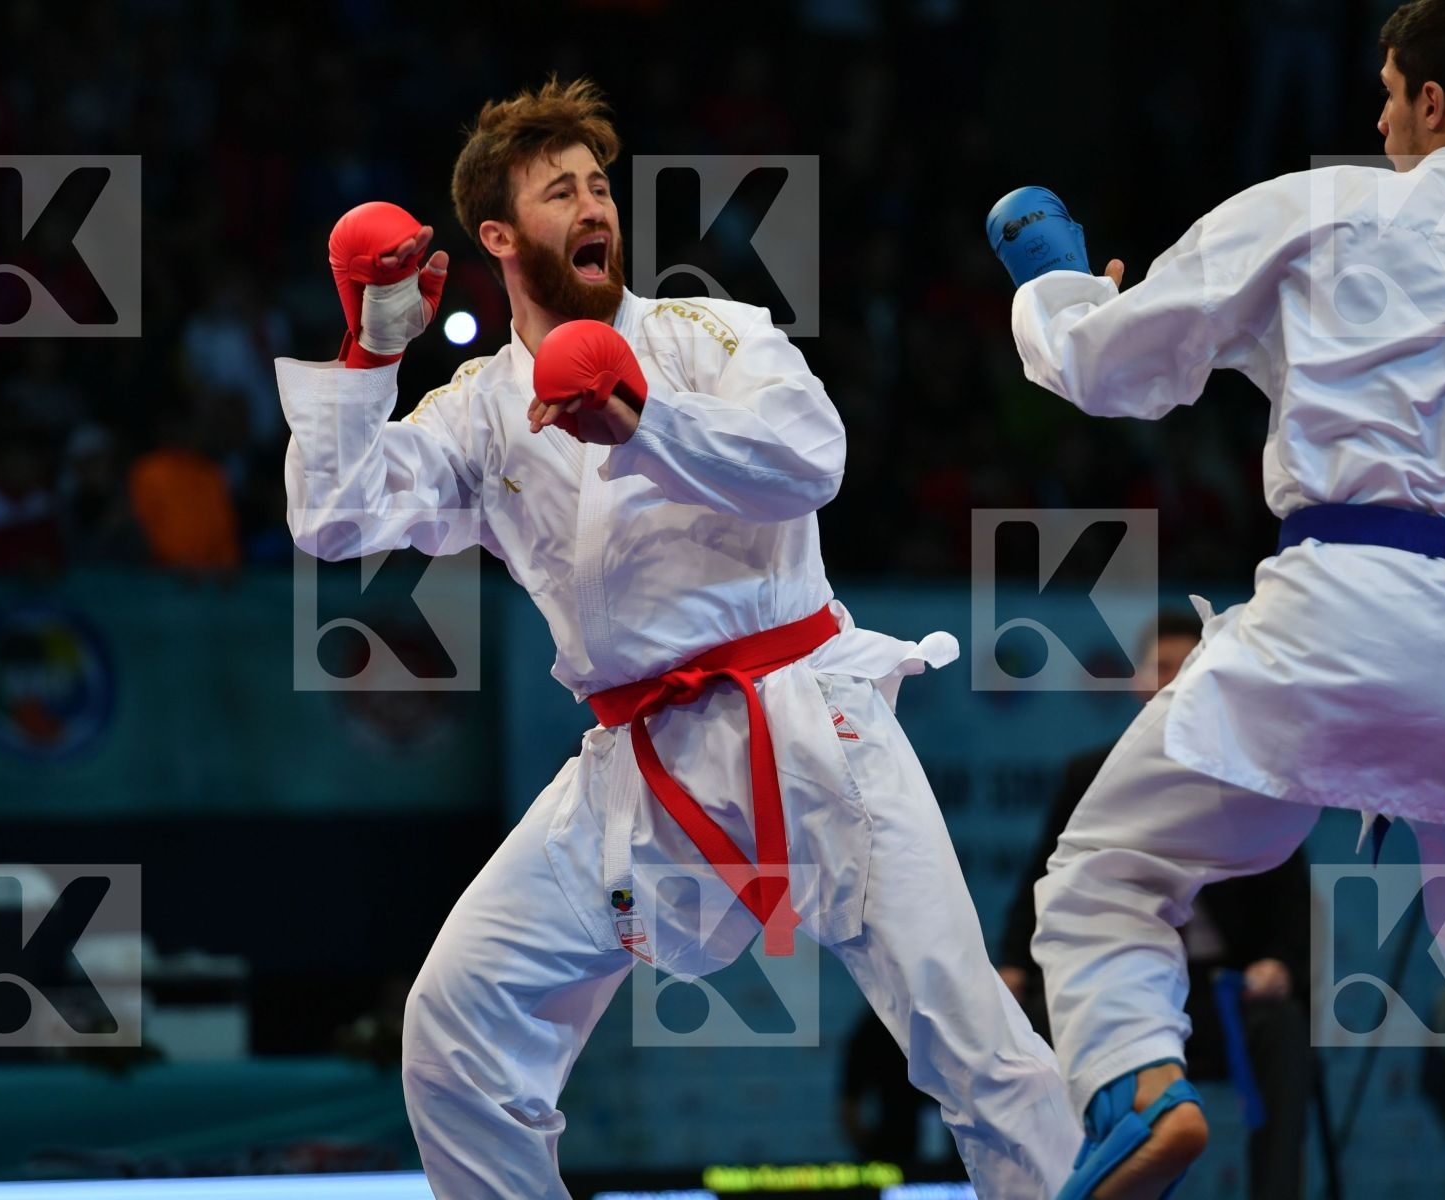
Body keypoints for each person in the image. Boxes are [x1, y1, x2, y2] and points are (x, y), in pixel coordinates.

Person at [276, 77, 1081, 1198]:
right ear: (499, 235)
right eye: (561, 191)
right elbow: (334, 518)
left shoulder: (710, 334)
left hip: (811, 720)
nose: (594, 204)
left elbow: (812, 459)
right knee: (458, 1019)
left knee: (970, 1041)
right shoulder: (480, 409)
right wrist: (371, 354)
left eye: (601, 184)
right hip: (640, 767)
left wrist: (643, 421)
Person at [984, 2, 1445, 1197]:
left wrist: (1060, 286)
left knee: (1105, 876)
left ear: (1431, 101)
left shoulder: (1320, 204)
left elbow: (1111, 369)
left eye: (1388, 93)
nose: (1377, 119)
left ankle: (1135, 1089)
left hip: (1331, 617)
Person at [996, 611, 1312, 1200]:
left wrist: (1280, 965)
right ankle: (1065, 1171)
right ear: (1140, 680)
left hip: (1222, 991)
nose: (1172, 683)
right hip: (1119, 966)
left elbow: (1292, 907)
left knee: (1282, 1028)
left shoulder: (1254, 773)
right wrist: (1012, 966)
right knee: (1032, 1015)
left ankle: (1251, 1178)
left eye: (1186, 668)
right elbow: (1043, 880)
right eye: (1162, 668)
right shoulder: (1089, 775)